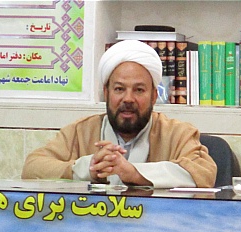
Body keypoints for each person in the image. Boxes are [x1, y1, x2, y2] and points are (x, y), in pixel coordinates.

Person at [21, 40, 217, 188]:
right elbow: (32, 168)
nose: (128, 99)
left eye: (139, 90)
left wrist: (134, 173)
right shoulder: (80, 132)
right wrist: (89, 168)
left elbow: (204, 173)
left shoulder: (178, 134)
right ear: (106, 93)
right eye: (119, 89)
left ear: (154, 96)